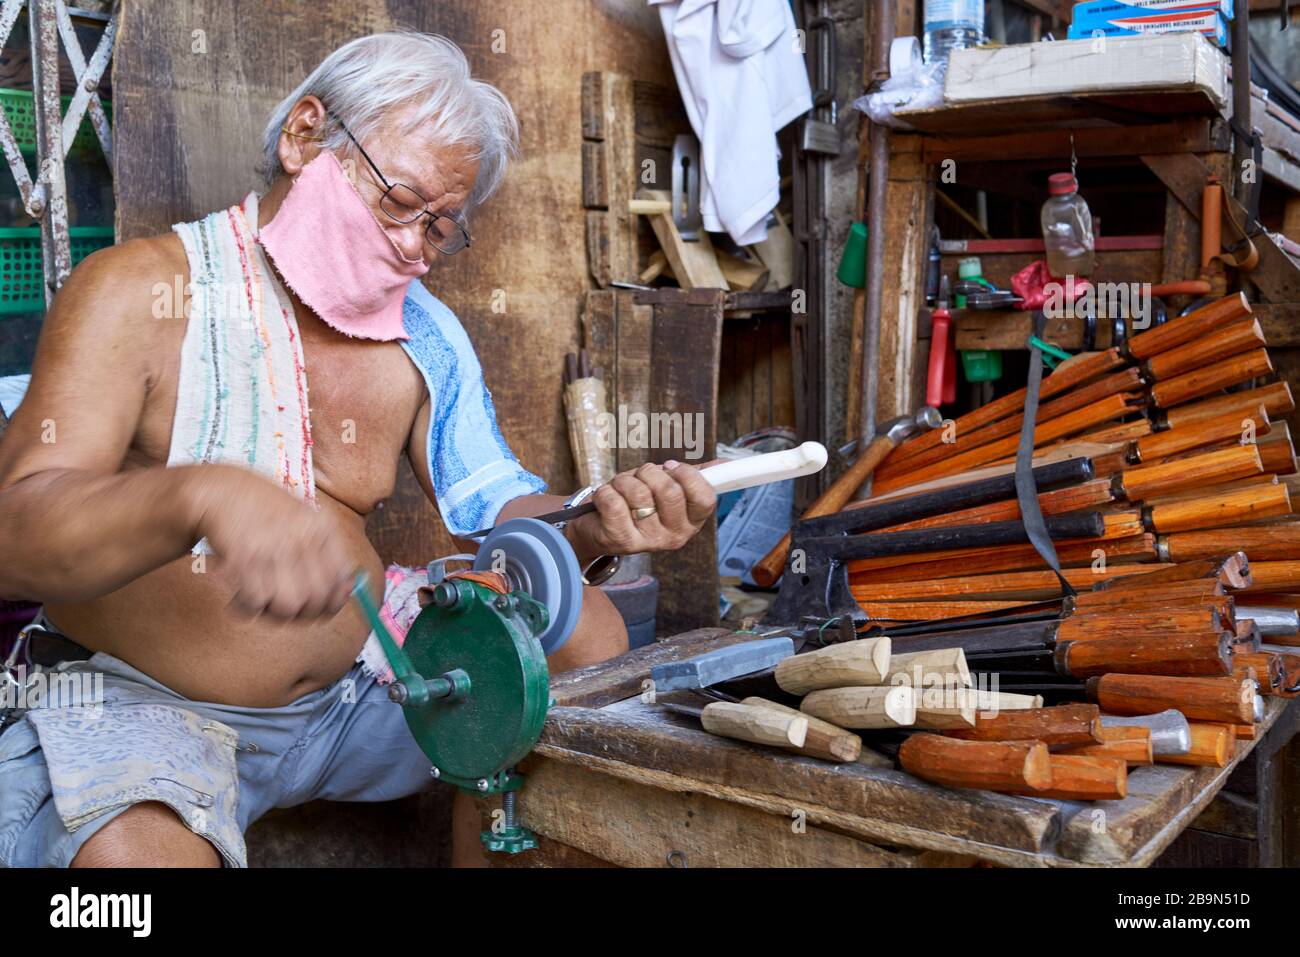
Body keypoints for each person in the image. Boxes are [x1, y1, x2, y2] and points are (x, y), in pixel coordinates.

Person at [0, 32, 715, 868]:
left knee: (578, 634)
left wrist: (598, 525)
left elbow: (502, 515)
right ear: (306, 136)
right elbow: (15, 536)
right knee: (129, 870)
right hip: (148, 702)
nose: (415, 247)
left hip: (366, 690)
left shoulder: (423, 332)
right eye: (398, 202)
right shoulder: (137, 293)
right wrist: (198, 496)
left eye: (441, 227)